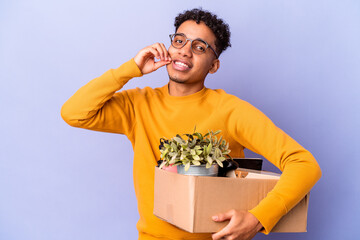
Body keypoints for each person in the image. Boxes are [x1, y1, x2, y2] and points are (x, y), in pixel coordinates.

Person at [61, 8, 321, 240]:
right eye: (179, 41)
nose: (185, 50)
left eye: (199, 47)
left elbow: (304, 164)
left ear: (214, 65)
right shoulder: (138, 105)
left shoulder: (231, 111)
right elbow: (74, 113)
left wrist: (259, 218)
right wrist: (130, 69)